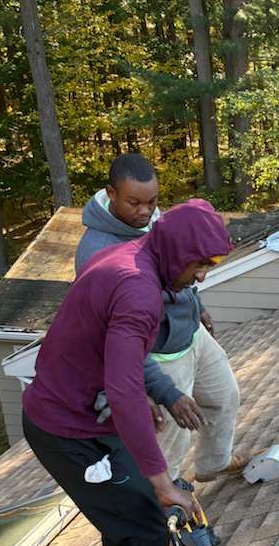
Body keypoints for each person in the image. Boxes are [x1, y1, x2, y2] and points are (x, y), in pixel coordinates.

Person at [23, 200, 233, 546]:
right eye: (199, 264)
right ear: (178, 252)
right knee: (138, 528)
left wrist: (165, 396)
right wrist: (162, 480)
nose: (201, 276)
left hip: (85, 419)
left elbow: (131, 359)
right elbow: (122, 389)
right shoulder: (138, 289)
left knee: (140, 518)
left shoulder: (134, 260)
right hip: (66, 431)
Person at [75, 153, 244, 483]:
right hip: (157, 352)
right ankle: (166, 497)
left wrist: (197, 304)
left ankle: (214, 463)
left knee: (225, 397)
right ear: (111, 194)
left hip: (189, 332)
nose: (145, 211)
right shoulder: (97, 253)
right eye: (134, 203)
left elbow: (185, 259)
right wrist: (155, 389)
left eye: (151, 202)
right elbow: (111, 336)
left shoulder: (153, 219)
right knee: (172, 433)